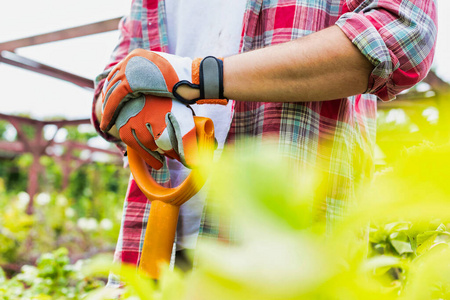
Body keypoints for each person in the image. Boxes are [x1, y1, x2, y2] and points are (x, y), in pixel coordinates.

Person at [91, 0, 438, 283]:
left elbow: (406, 32)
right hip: (157, 245)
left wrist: (195, 77)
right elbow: (109, 85)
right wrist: (130, 104)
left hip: (289, 252)